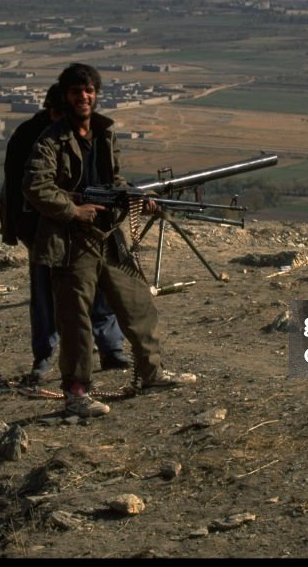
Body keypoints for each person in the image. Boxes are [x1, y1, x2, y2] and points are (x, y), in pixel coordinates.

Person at [22, 63, 197, 417]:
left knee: (137, 305)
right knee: (75, 320)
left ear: (96, 94)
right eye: (76, 91)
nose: (83, 97)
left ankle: (151, 372)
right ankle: (76, 392)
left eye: (89, 90)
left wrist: (135, 198)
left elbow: (114, 181)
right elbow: (36, 187)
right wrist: (74, 211)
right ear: (66, 96)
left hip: (108, 236)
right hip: (72, 242)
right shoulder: (51, 140)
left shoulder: (104, 134)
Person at [0, 84, 132, 383]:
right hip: (44, 229)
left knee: (99, 290)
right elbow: (21, 190)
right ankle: (45, 356)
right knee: (46, 295)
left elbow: (108, 176)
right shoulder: (31, 136)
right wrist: (26, 232)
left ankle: (110, 348)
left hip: (91, 226)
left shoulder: (91, 133)